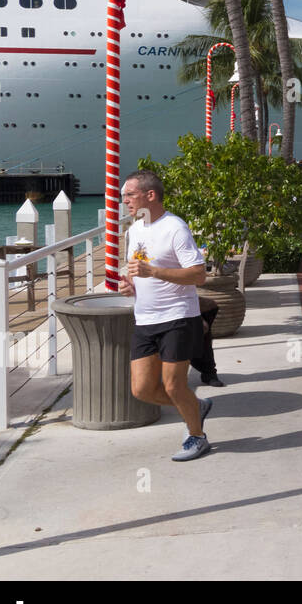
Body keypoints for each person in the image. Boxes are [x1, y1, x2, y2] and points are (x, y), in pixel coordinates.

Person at [119, 169, 214, 461]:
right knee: (143, 390)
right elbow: (138, 270)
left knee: (174, 385)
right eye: (123, 197)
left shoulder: (175, 228)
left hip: (177, 317)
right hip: (145, 319)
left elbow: (199, 275)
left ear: (151, 195)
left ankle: (197, 436)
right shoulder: (134, 231)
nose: (125, 202)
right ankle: (195, 406)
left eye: (130, 195)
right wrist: (131, 285)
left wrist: (154, 272)